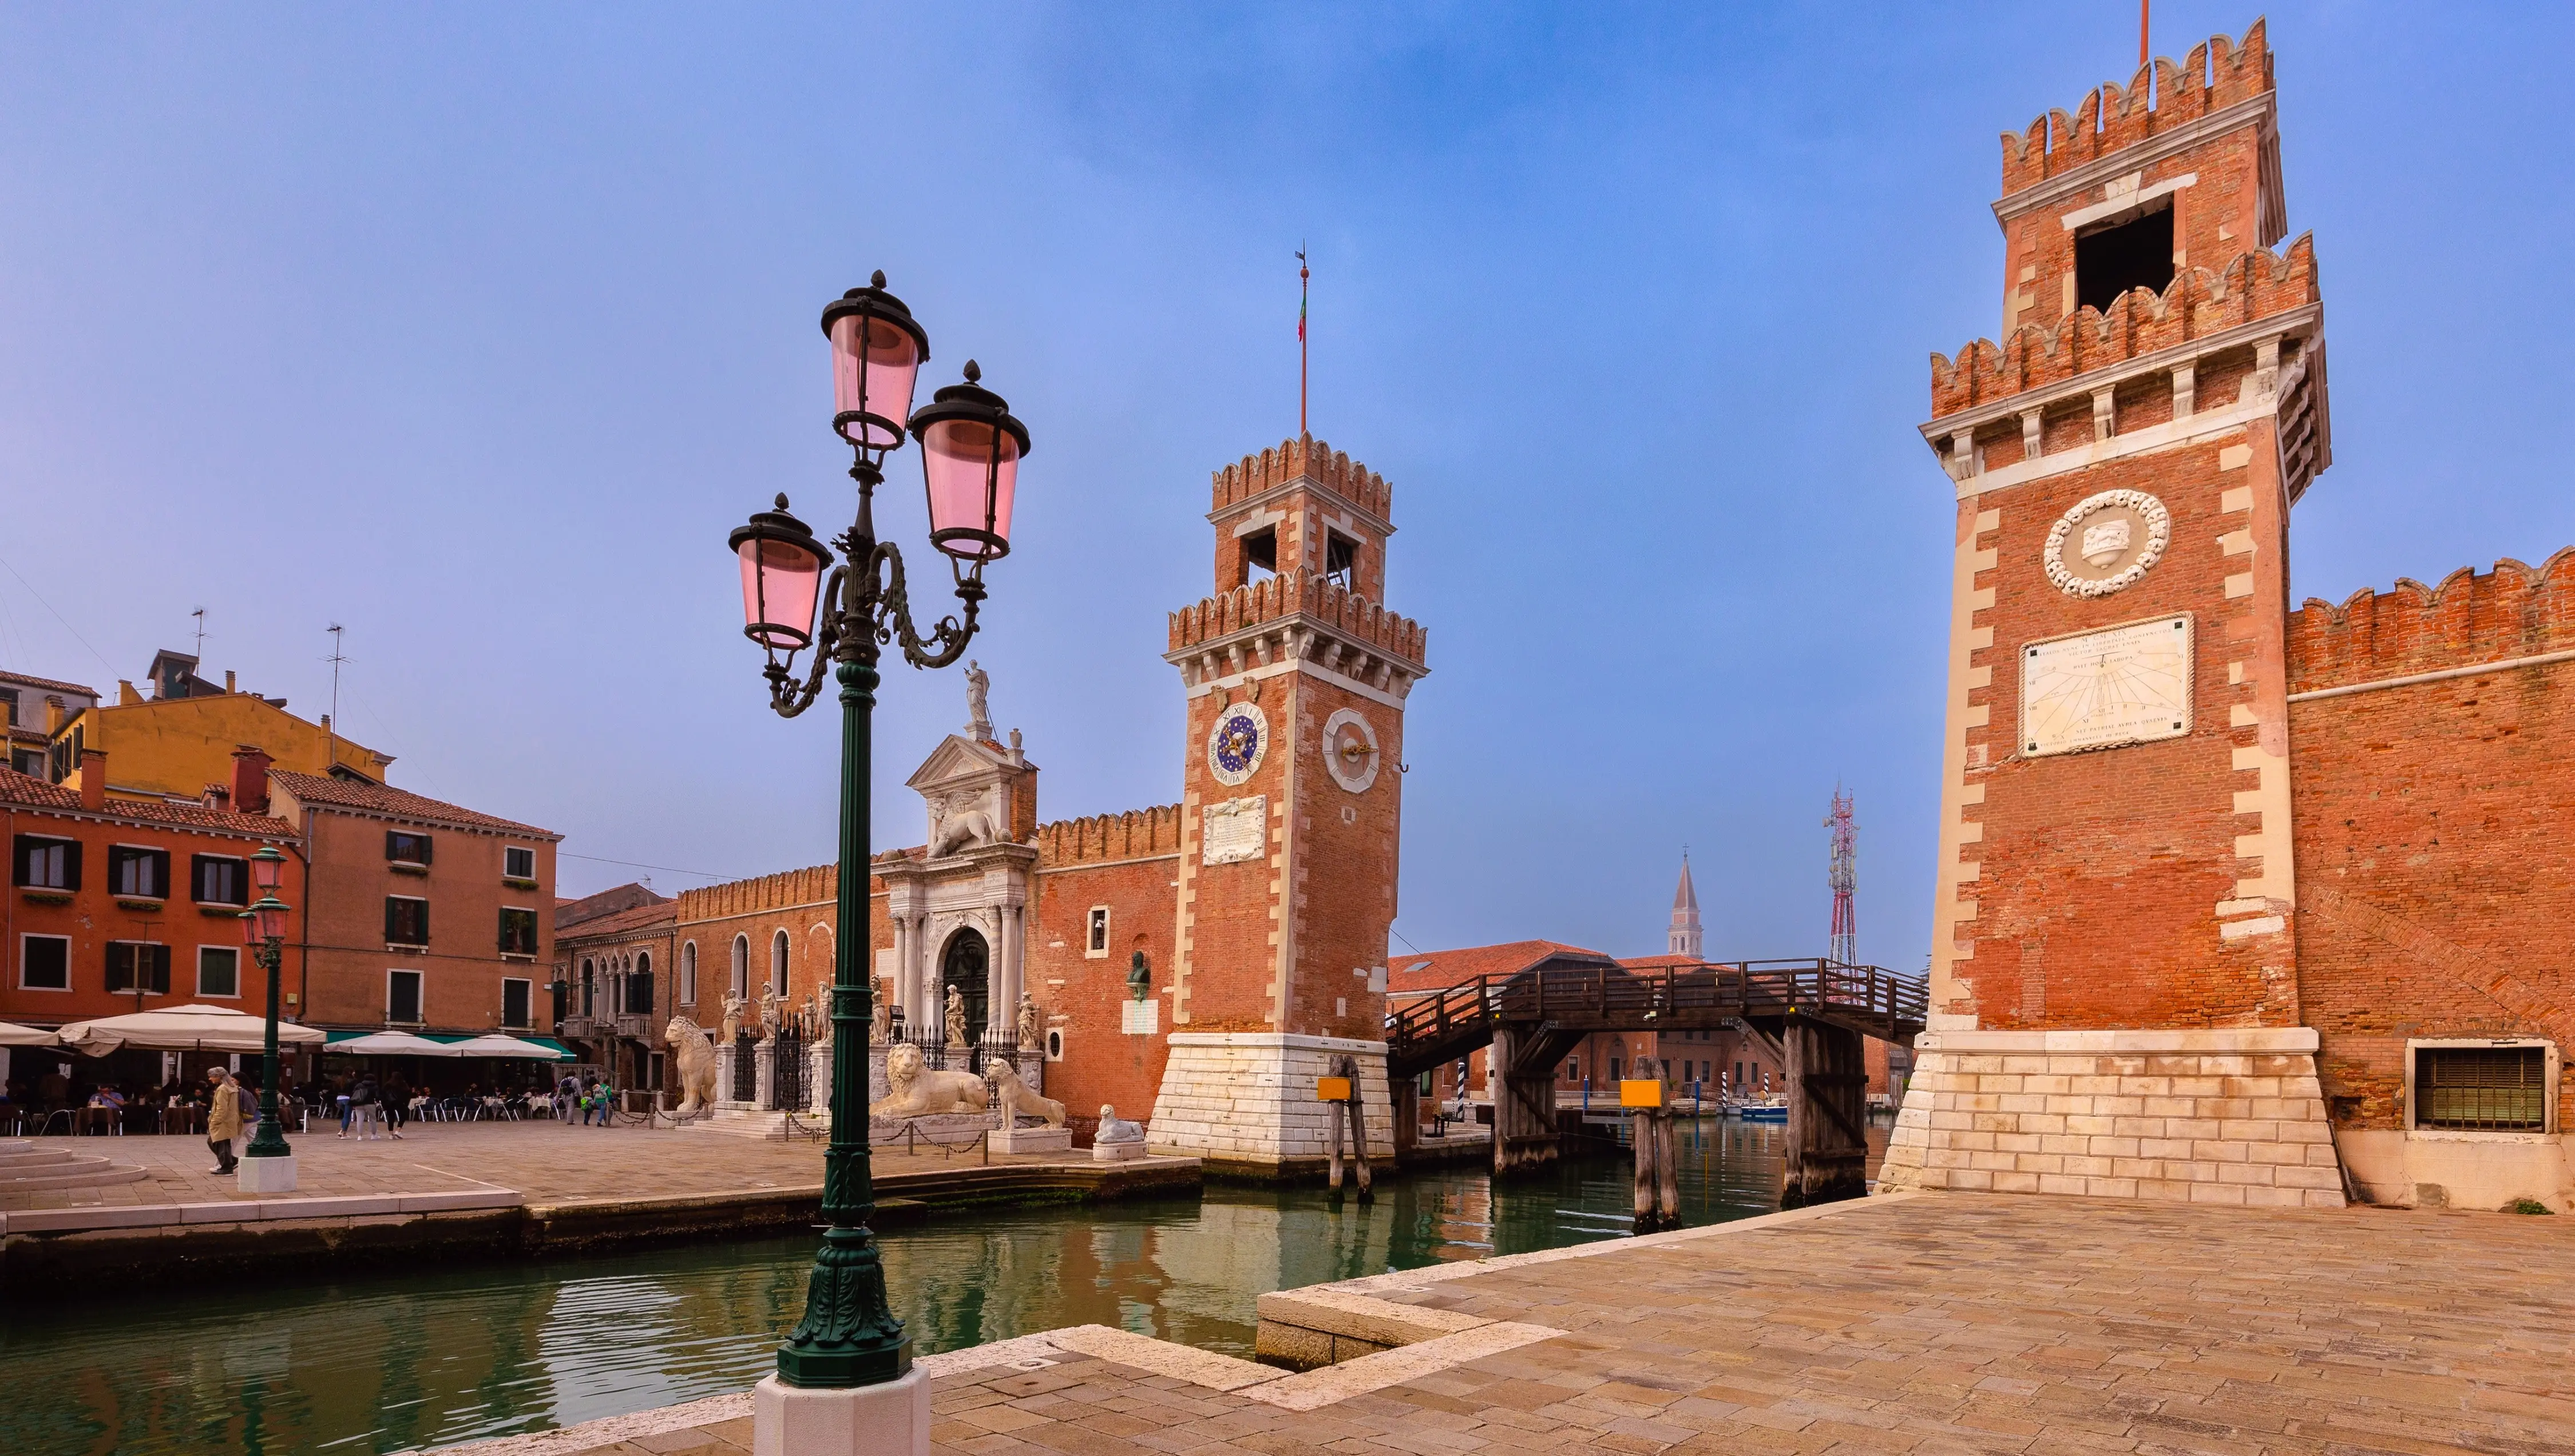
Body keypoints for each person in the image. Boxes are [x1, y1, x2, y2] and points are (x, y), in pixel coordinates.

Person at [205, 1067, 244, 1175]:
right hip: (230, 1120)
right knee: (223, 1143)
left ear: (219, 1077)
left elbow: (221, 1108)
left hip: (222, 1121)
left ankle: (227, 1166)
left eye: (212, 1076)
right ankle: (231, 1161)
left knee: (218, 1142)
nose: (210, 1079)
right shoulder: (232, 1087)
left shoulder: (222, 1089)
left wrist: (214, 1121)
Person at [350, 1074, 382, 1141]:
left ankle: (360, 1136)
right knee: (373, 1119)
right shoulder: (375, 1086)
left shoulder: (359, 1085)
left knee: (360, 1119)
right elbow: (377, 1096)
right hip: (370, 1103)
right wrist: (377, 1101)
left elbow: (353, 1093)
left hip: (359, 1103)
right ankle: (374, 1135)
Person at [383, 1072, 411, 1139]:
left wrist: (384, 1103)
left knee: (391, 1117)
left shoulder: (388, 1084)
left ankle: (390, 1134)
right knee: (403, 1115)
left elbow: (383, 1094)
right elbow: (408, 1093)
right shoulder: (403, 1084)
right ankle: (398, 1130)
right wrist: (406, 1103)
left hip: (390, 1102)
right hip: (400, 1102)